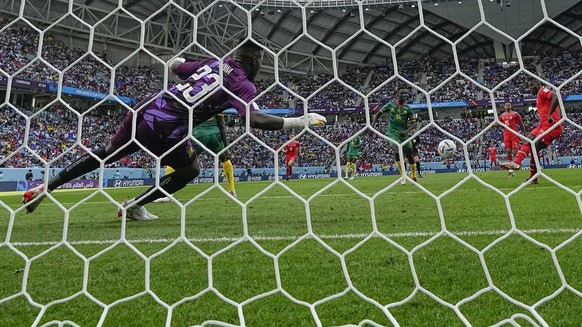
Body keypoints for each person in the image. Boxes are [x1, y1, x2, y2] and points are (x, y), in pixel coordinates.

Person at [21, 40, 326, 219]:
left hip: (148, 106)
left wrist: (180, 61)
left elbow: (177, 66)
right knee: (190, 170)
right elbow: (254, 120)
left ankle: (45, 187)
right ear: (256, 61)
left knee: (107, 153)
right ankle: (135, 205)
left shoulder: (214, 62)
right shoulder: (242, 83)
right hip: (167, 125)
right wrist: (300, 121)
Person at [154, 113, 237, 202]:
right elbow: (222, 124)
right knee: (225, 159)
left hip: (199, 135)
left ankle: (166, 194)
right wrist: (226, 146)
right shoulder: (216, 101)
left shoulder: (196, 102)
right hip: (215, 135)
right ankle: (232, 191)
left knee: (177, 158)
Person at [500, 79, 563, 184]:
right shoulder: (538, 96)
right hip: (542, 125)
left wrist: (550, 114)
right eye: (529, 86)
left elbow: (555, 97)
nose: (530, 87)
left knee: (533, 147)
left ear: (539, 84)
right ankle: (526, 171)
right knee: (528, 141)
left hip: (552, 125)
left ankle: (521, 167)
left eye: (532, 85)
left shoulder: (542, 91)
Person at [372, 88, 419, 185]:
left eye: (405, 93)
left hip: (404, 134)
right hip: (393, 133)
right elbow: (378, 114)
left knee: (410, 155)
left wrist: (406, 131)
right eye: (402, 93)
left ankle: (413, 175)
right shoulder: (390, 105)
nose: (404, 94)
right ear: (397, 94)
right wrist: (372, 125)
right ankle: (403, 175)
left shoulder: (408, 109)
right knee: (396, 147)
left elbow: (414, 123)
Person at [498, 102, 526, 177]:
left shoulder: (515, 114)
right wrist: (491, 124)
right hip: (506, 135)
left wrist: (524, 133)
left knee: (515, 152)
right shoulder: (502, 116)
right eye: (506, 105)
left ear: (511, 106)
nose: (507, 106)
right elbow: (498, 124)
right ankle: (511, 171)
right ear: (504, 107)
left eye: (509, 105)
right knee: (508, 152)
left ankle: (517, 163)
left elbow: (521, 123)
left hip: (514, 134)